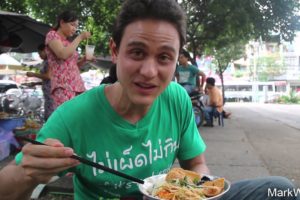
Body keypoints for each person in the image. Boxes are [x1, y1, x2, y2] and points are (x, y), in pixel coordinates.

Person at [0, 1, 298, 200]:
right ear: (116, 51)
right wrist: (29, 173)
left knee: (281, 190)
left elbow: (196, 163)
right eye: (137, 53)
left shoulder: (176, 99)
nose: (149, 72)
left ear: (176, 61)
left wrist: (199, 190)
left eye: (164, 57)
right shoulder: (73, 116)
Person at [45, 10, 91, 109]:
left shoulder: (68, 42)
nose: (75, 29)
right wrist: (80, 37)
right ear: (62, 22)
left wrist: (83, 60)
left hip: (77, 85)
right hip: (63, 86)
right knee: (68, 118)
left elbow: (72, 66)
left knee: (78, 118)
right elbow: (62, 54)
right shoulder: (52, 35)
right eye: (72, 25)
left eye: (76, 26)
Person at [26, 44, 54, 121]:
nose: (39, 56)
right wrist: (35, 83)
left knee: (50, 115)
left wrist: (33, 74)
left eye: (40, 53)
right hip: (47, 94)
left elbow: (48, 76)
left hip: (51, 94)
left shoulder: (50, 61)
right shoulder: (46, 61)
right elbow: (48, 81)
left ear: (45, 51)